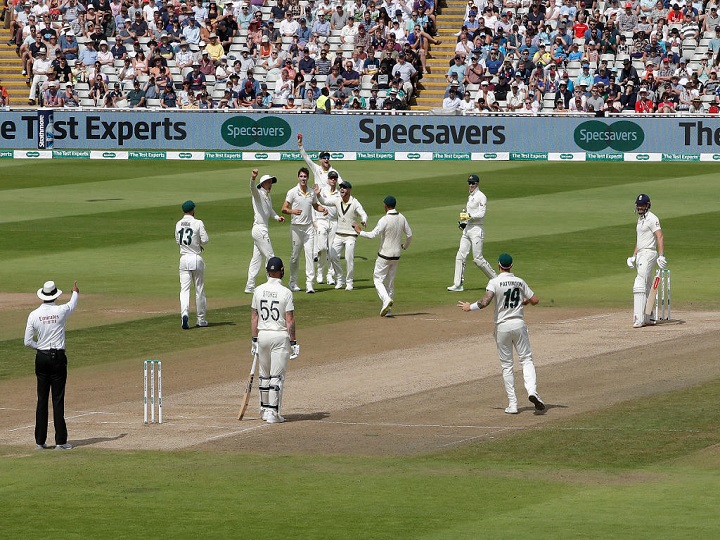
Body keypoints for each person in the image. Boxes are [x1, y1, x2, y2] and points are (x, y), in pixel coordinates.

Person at [457, 253, 545, 415]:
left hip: (502, 328)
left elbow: (485, 302)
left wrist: (470, 307)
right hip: (519, 325)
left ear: (499, 265)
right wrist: (523, 301)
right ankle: (532, 391)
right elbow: (535, 300)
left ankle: (513, 404)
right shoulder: (519, 281)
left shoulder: (494, 282)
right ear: (511, 266)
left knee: (507, 366)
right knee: (526, 360)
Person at [24, 280, 80, 450]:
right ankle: (61, 442)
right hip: (57, 358)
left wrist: (40, 348)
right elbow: (72, 304)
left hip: (41, 358)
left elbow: (27, 342)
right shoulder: (60, 310)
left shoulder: (33, 314)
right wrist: (75, 291)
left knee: (42, 399)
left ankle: (40, 442)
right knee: (57, 399)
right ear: (55, 295)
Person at [251, 256, 298, 424]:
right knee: (276, 376)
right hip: (279, 336)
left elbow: (254, 317)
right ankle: (273, 413)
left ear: (268, 272)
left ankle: (264, 410)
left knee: (264, 375)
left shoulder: (258, 290)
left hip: (262, 335)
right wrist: (293, 342)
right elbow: (289, 319)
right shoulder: (286, 292)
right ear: (281, 271)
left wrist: (254, 339)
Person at [354, 196, 413, 317]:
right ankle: (388, 310)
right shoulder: (402, 217)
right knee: (390, 283)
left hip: (384, 255)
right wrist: (405, 246)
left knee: (377, 280)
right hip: (396, 256)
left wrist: (359, 231)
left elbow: (372, 235)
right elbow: (409, 235)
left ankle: (386, 300)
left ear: (386, 206)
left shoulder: (384, 219)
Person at [447, 174, 496, 292]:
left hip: (477, 230)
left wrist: (470, 216)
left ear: (477, 184)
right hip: (467, 229)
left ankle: (496, 280)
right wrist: (464, 222)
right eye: (469, 183)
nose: (470, 185)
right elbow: (469, 214)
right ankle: (458, 284)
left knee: (478, 259)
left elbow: (482, 214)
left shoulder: (481, 196)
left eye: (473, 183)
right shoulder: (470, 197)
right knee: (460, 255)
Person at [282, 168, 327, 293]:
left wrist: (322, 209)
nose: (303, 178)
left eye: (305, 176)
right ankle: (293, 282)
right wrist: (292, 211)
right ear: (298, 178)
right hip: (296, 228)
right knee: (295, 256)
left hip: (308, 228)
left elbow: (315, 205)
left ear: (308, 178)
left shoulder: (312, 192)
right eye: (301, 176)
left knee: (309, 255)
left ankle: (309, 284)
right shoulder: (292, 192)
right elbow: (284, 208)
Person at [316, 180, 367, 291]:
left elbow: (363, 213)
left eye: (344, 187)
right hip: (339, 234)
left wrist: (364, 220)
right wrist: (318, 195)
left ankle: (349, 282)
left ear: (349, 189)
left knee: (349, 259)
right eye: (341, 187)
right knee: (333, 255)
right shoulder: (337, 200)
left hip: (350, 236)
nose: (342, 189)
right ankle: (340, 278)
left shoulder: (355, 202)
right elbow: (324, 201)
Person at [627, 194, 667, 328]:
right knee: (649, 285)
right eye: (638, 205)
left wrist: (661, 255)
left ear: (648, 205)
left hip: (649, 254)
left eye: (642, 205)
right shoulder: (640, 219)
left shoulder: (652, 218)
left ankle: (639, 318)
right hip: (641, 254)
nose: (640, 208)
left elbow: (660, 236)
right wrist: (633, 256)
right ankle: (649, 317)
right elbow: (640, 241)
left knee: (639, 282)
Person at [245, 169, 286, 294]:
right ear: (262, 184)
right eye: (268, 182)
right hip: (260, 229)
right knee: (271, 256)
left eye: (271, 182)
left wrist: (277, 217)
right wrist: (253, 178)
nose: (270, 184)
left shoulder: (268, 196)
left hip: (260, 229)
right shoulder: (258, 194)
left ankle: (250, 286)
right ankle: (272, 284)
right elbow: (252, 188)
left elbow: (270, 210)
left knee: (256, 259)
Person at [175, 200, 210, 329]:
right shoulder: (198, 222)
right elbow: (205, 240)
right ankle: (201, 319)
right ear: (193, 210)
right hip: (196, 258)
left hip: (183, 258)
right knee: (199, 290)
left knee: (184, 290)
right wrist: (198, 244)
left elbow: (178, 240)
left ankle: (184, 314)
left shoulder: (178, 224)